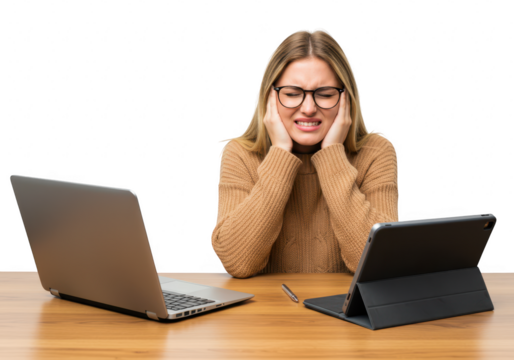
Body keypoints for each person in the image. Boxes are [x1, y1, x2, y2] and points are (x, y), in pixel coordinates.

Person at [211, 27, 399, 279]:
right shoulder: (240, 155)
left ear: (346, 99)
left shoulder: (375, 152)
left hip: (346, 315)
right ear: (269, 98)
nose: (308, 108)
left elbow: (381, 264)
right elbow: (237, 262)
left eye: (325, 94)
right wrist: (279, 153)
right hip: (267, 315)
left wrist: (332, 154)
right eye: (291, 94)